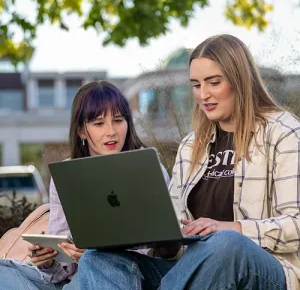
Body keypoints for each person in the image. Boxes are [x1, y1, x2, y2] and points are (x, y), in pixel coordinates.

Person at [78, 34, 300, 290]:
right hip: (193, 269)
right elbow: (176, 225)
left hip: (266, 268)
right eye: (196, 85)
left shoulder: (284, 133)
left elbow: (296, 223)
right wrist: (167, 242)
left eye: (214, 82)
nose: (204, 94)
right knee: (99, 259)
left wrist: (233, 228)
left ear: (240, 81)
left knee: (225, 243)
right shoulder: (191, 146)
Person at [0, 80, 170, 290]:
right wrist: (49, 261)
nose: (111, 131)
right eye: (99, 124)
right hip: (77, 276)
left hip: (132, 272)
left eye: (118, 120)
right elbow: (62, 268)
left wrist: (96, 255)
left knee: (94, 262)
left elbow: (161, 248)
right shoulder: (66, 175)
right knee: (3, 271)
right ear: (81, 131)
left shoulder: (149, 168)